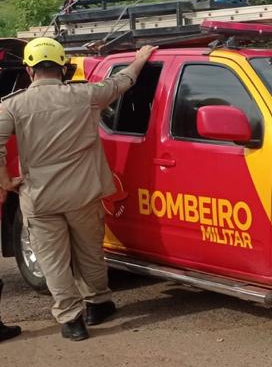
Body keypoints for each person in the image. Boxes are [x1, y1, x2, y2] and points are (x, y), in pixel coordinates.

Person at [0, 38, 157, 341]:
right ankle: (98, 304)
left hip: (40, 197)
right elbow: (122, 81)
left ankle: (72, 321)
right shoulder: (85, 95)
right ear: (64, 67)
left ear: (29, 71)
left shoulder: (12, 105)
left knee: (53, 260)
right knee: (90, 253)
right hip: (83, 195)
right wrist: (140, 57)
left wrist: (5, 182)